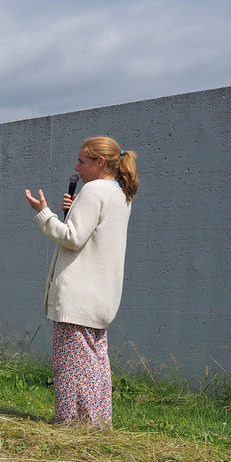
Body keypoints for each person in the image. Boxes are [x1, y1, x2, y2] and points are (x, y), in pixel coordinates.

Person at [25, 136, 138, 426]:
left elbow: (73, 238)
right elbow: (93, 234)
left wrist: (44, 214)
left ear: (100, 162)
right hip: (101, 297)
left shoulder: (94, 190)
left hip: (78, 296)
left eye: (82, 161)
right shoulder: (119, 194)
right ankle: (98, 424)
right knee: (96, 362)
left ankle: (74, 425)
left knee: (72, 366)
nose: (77, 167)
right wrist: (73, 210)